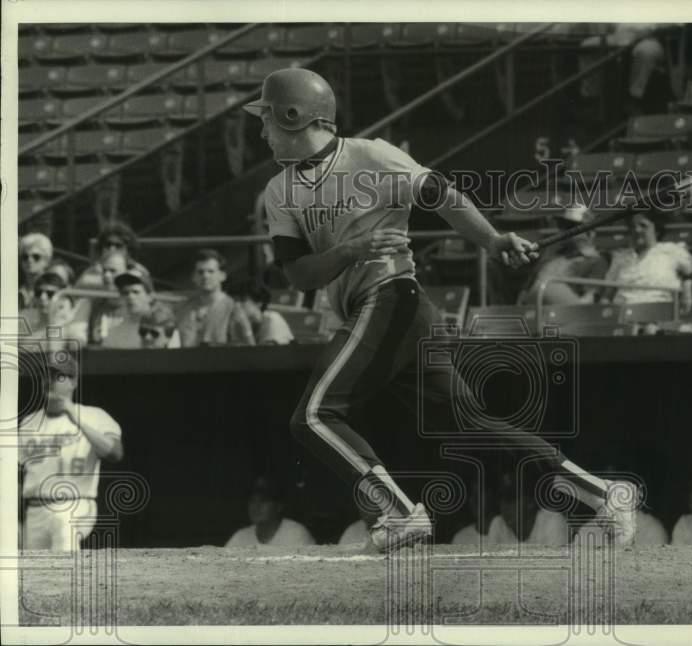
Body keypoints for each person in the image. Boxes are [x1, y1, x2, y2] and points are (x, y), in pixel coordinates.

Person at [244, 67, 638, 554]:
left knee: (314, 416)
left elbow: (444, 197)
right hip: (375, 311)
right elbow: (299, 275)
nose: (262, 130)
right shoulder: (278, 191)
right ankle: (604, 494)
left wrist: (493, 241)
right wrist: (350, 249)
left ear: (294, 115)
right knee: (472, 423)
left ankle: (397, 513)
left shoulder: (372, 155)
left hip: (393, 298)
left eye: (267, 118)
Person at [18, 353, 124, 551]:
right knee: (34, 567)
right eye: (46, 375)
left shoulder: (94, 416)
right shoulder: (28, 423)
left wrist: (76, 418)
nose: (50, 381)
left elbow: (115, 453)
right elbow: (16, 473)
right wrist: (15, 519)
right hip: (35, 509)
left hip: (76, 504)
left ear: (73, 382)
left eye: (58, 376)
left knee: (63, 522)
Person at [603, 210, 692, 309]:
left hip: (658, 312)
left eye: (643, 225)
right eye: (632, 226)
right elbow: (606, 296)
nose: (637, 230)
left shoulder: (672, 251)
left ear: (656, 229)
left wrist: (689, 294)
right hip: (622, 312)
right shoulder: (621, 257)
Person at [517, 204, 610, 305]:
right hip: (533, 308)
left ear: (589, 232)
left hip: (566, 311)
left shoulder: (596, 261)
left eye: (572, 226)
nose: (564, 231)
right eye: (562, 226)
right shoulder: (550, 255)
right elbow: (525, 290)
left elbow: (589, 297)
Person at [579, 24, 670, 115]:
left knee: (646, 52)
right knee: (588, 44)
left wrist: (645, 33)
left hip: (649, 38)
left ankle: (635, 98)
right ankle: (592, 96)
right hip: (620, 35)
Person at [176, 249, 256, 347]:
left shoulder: (233, 310)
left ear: (222, 276)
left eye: (211, 271)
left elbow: (248, 351)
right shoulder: (183, 309)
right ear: (193, 277)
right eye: (200, 272)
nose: (205, 276)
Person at [225, 476, 315, 548]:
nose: (256, 507)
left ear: (278, 506)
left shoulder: (295, 534)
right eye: (252, 501)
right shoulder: (240, 537)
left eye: (263, 501)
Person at [101, 267, 177, 349]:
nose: (130, 297)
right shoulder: (114, 334)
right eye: (125, 293)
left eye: (136, 292)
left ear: (150, 296)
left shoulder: (165, 327)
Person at [20, 265, 88, 352]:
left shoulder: (71, 323)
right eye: (38, 292)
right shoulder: (26, 317)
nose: (42, 297)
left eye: (50, 293)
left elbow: (61, 352)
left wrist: (55, 324)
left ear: (62, 298)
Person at [76, 220, 149, 289]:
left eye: (118, 246)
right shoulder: (90, 272)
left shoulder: (140, 271)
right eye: (108, 245)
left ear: (129, 251)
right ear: (101, 248)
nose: (112, 249)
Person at [232, 280, 295, 345]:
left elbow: (264, 351)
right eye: (234, 300)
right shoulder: (240, 325)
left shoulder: (272, 320)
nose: (236, 305)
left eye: (243, 300)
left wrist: (246, 330)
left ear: (259, 303)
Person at [18, 232, 54, 309]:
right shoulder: (14, 292)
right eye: (25, 257)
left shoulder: (52, 293)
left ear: (47, 261)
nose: (29, 260)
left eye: (36, 257)